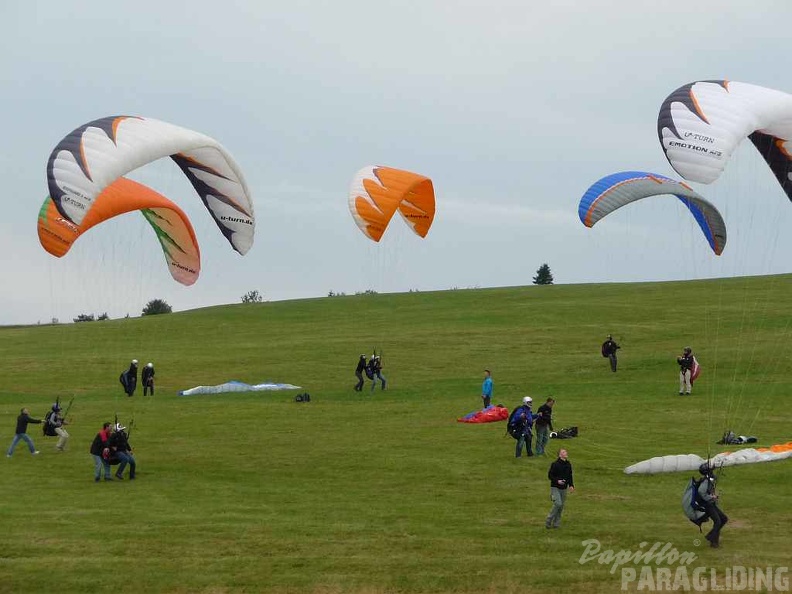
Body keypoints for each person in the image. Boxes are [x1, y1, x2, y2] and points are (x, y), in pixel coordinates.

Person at [697, 464, 728, 548]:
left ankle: (711, 537)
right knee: (718, 521)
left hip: (711, 504)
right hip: (707, 505)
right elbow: (701, 491)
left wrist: (713, 495)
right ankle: (713, 541)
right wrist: (711, 497)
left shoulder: (709, 479)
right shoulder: (706, 481)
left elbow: (708, 490)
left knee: (724, 519)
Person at [546, 448, 574, 528]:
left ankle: (556, 523)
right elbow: (550, 476)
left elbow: (569, 476)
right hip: (555, 487)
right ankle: (549, 519)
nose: (566, 453)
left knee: (561, 507)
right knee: (558, 503)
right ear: (560, 455)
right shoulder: (555, 464)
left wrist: (571, 485)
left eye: (565, 451)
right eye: (563, 452)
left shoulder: (568, 464)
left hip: (564, 488)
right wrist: (557, 481)